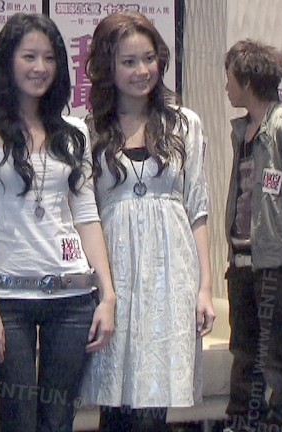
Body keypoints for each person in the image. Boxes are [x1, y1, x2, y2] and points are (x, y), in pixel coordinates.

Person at [0, 12, 116, 432]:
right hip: (8, 301)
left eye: (49, 58)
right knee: (19, 421)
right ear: (8, 61)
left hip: (73, 296)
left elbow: (86, 215)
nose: (40, 67)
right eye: (29, 56)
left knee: (59, 422)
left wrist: (108, 295)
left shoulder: (75, 131)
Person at [78, 11, 215, 432]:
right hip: (114, 275)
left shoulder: (184, 124)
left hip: (170, 274)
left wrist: (205, 288)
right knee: (114, 402)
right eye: (129, 61)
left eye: (149, 59)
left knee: (154, 402)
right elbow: (85, 214)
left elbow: (198, 208)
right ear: (108, 67)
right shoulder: (88, 131)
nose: (142, 71)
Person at [223, 39, 282, 432]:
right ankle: (243, 423)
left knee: (277, 353)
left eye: (230, 79)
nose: (226, 87)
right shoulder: (243, 131)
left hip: (276, 263)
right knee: (244, 352)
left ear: (247, 81)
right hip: (241, 261)